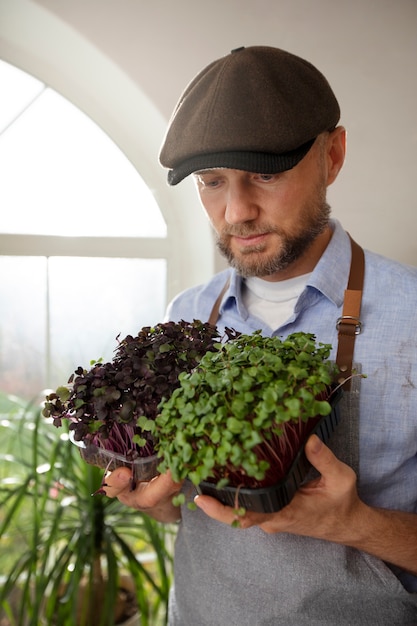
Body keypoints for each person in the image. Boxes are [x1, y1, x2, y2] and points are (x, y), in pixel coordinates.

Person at [105, 46, 417, 625]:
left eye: (266, 175)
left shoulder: (411, 317)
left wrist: (358, 525)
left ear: (333, 154)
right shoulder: (189, 318)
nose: (236, 211)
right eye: (211, 182)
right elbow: (195, 518)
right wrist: (157, 501)